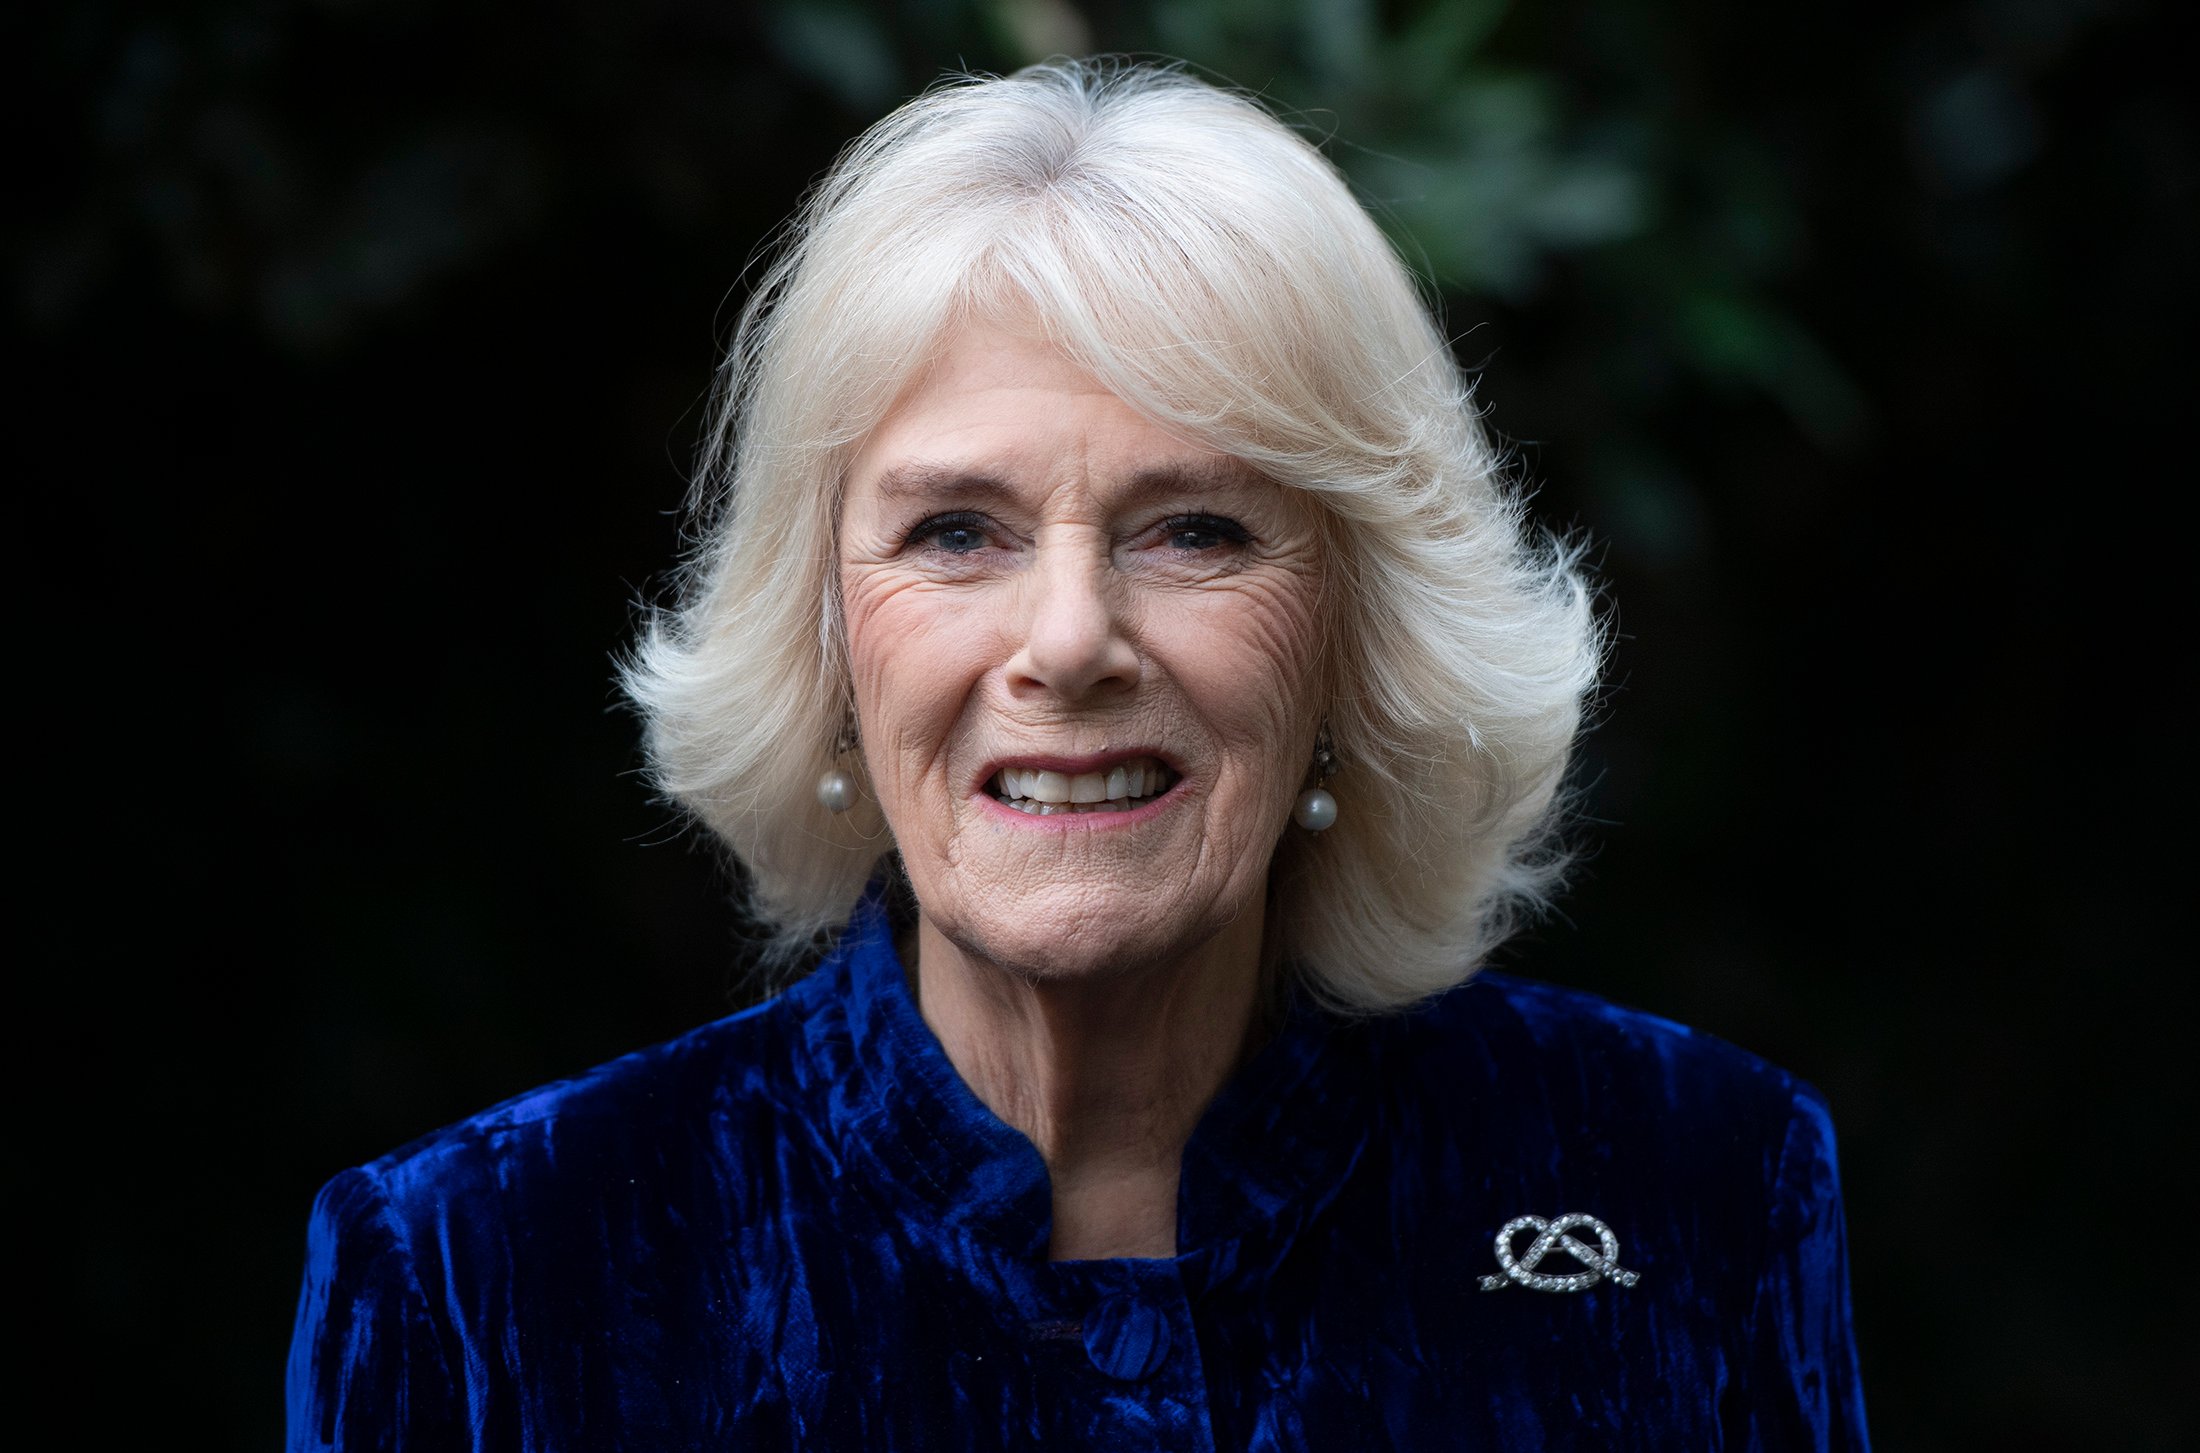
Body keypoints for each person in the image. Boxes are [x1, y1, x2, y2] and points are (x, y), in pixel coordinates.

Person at [287, 58, 1869, 1450]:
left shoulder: (1689, 1189)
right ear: (828, 637)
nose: (1067, 639)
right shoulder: (479, 1277)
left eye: (1195, 529)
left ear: (1356, 635)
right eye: (956, 531)